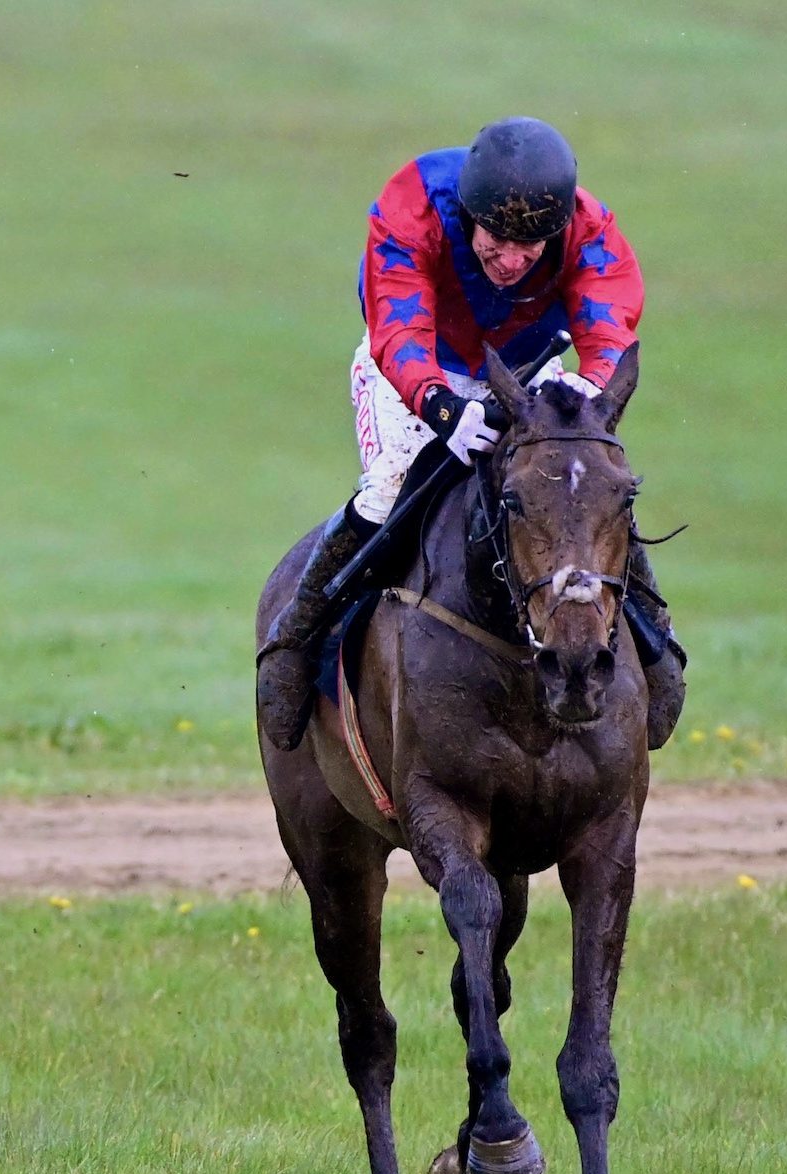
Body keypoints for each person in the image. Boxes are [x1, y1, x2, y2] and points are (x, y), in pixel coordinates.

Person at [256, 117, 685, 752]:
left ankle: (651, 634)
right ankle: (296, 636)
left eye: (531, 246)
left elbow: (608, 319)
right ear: (467, 215)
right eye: (497, 241)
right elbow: (398, 330)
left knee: (583, 481)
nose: (511, 261)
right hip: (418, 367)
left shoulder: (589, 227)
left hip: (528, 370)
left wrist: (592, 391)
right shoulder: (413, 207)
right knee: (390, 484)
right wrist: (443, 411)